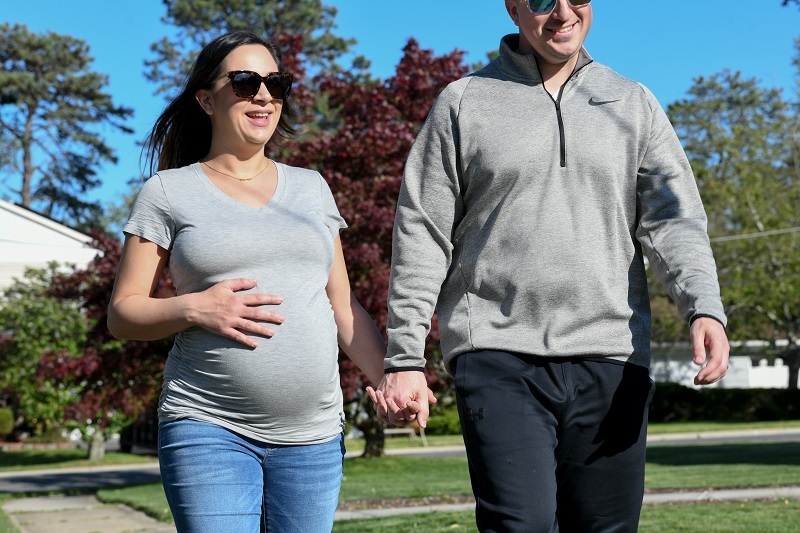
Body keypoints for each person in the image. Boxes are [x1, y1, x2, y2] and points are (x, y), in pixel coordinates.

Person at [368, 1, 730, 531]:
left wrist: (703, 306)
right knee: (523, 524)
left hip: (611, 352)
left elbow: (674, 220)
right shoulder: (464, 103)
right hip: (497, 351)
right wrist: (404, 359)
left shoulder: (633, 103)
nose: (561, 12)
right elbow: (422, 233)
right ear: (513, 7)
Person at [108, 31, 392, 533]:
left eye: (276, 83)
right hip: (208, 427)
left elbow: (344, 310)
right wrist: (194, 308)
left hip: (313, 437)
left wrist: (391, 378)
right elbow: (123, 313)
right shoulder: (167, 192)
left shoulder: (312, 188)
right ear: (206, 99)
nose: (263, 95)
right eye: (244, 82)